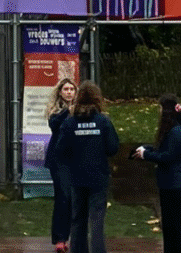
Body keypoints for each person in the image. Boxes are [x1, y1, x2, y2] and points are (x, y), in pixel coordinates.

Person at [58, 81, 119, 253]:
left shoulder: (70, 123)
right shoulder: (103, 122)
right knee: (97, 221)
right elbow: (113, 147)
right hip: (98, 177)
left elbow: (60, 150)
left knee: (78, 220)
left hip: (77, 177)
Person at [133, 94, 181, 253]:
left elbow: (167, 157)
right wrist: (148, 149)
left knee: (174, 225)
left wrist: (146, 155)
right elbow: (165, 150)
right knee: (171, 224)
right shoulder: (175, 130)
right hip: (169, 183)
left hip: (173, 183)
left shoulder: (176, 131)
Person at [44, 78, 77, 253]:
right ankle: (59, 238)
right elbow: (54, 125)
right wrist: (67, 112)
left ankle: (71, 237)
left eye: (72, 89)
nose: (69, 92)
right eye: (66, 89)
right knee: (62, 197)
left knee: (73, 199)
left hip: (75, 159)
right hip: (59, 160)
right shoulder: (56, 111)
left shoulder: (81, 110)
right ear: (60, 92)